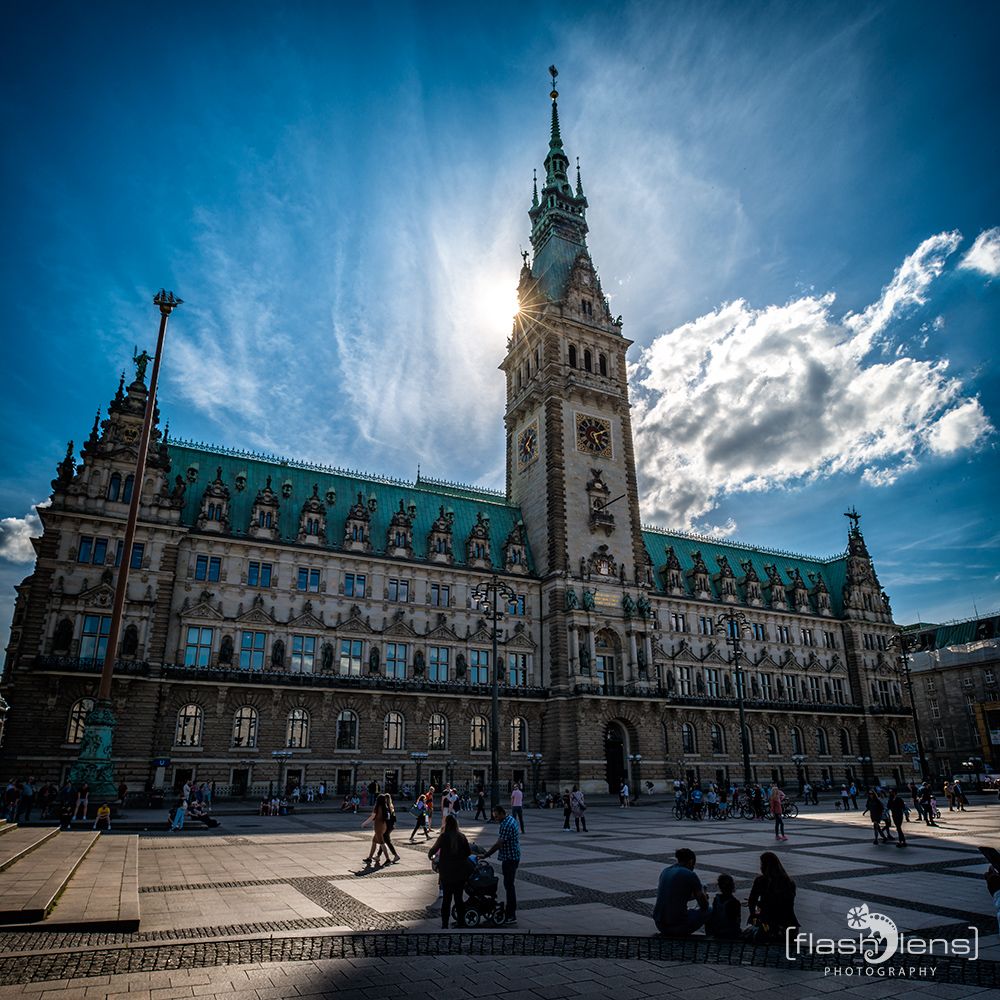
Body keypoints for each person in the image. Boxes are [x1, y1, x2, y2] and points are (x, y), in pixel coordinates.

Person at [428, 814, 473, 929]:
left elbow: (433, 850)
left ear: (447, 824)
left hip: (446, 873)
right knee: (459, 899)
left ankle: (444, 924)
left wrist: (431, 856)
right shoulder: (462, 837)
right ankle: (461, 922)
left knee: (446, 900)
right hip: (460, 873)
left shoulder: (443, 837)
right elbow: (468, 853)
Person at [652, 847, 708, 936]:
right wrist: (704, 894)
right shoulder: (691, 874)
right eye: (693, 865)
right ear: (691, 861)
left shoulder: (666, 871)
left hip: (660, 925)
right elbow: (704, 906)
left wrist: (693, 896)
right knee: (710, 910)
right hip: (678, 926)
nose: (693, 868)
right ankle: (714, 938)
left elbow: (677, 896)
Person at [747, 852, 800, 943]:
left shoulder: (761, 881)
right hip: (789, 927)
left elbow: (753, 903)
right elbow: (789, 906)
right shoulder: (789, 883)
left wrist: (756, 913)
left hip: (767, 926)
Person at [483, 805, 520, 926]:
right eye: (495, 817)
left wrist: (486, 854)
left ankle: (511, 914)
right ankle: (510, 911)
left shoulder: (506, 825)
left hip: (510, 858)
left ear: (502, 813)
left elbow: (499, 843)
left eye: (497, 816)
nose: (496, 819)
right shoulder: (511, 819)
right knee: (509, 885)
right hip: (513, 856)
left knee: (509, 886)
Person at [362, 792, 399, 865]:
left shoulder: (377, 807)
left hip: (378, 826)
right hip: (384, 826)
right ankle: (370, 858)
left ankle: (388, 859)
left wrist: (364, 823)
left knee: (382, 843)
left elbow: (372, 816)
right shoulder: (385, 807)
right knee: (374, 842)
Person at [705, 873, 742, 939]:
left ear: (719, 886)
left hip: (717, 931)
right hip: (729, 933)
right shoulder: (735, 903)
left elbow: (714, 916)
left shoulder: (716, 899)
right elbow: (736, 922)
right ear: (732, 886)